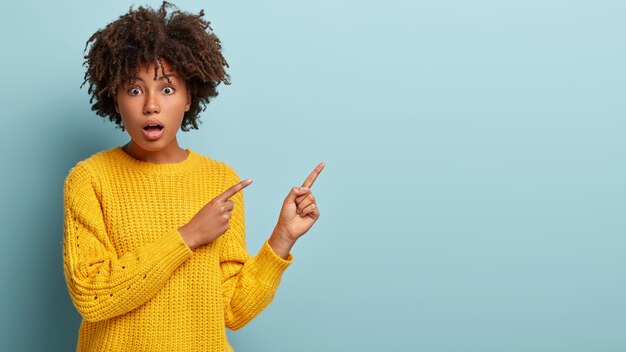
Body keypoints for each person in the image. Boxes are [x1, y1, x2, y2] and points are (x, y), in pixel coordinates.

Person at [63, 2, 324, 351]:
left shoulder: (219, 180)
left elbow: (232, 309)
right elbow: (92, 295)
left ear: (189, 97)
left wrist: (282, 238)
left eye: (167, 89)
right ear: (115, 96)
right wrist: (187, 236)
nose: (151, 105)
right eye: (134, 89)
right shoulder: (90, 179)